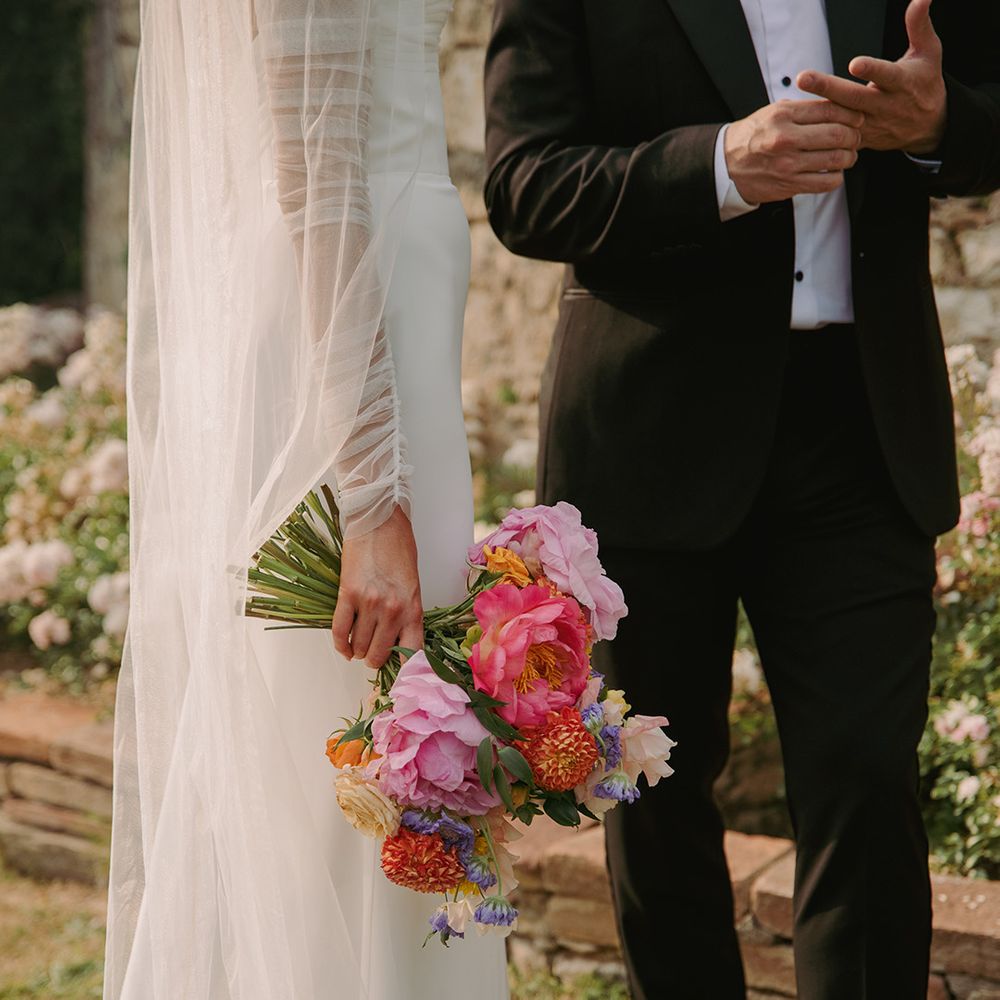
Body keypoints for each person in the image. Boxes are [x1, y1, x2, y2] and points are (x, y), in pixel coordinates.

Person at [483, 0, 1000, 997]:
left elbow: (983, 106)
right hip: (646, 435)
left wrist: (937, 130)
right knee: (658, 800)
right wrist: (716, 166)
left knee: (864, 774)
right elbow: (521, 183)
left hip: (862, 428)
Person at [103, 0, 509, 997]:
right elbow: (317, 172)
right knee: (356, 747)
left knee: (382, 755)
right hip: (349, 344)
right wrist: (370, 497)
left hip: (374, 317)